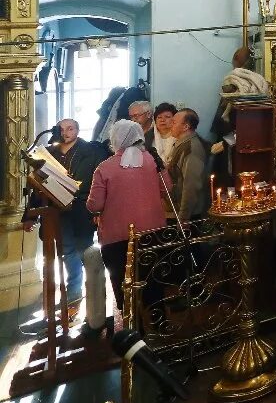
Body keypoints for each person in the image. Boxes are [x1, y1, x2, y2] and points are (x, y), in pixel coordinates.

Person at [24, 118, 108, 319]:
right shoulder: (49, 153)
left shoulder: (93, 151)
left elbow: (101, 185)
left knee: (85, 251)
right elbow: (38, 186)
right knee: (67, 251)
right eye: (62, 129)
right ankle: (74, 293)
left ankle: (94, 297)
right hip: (57, 211)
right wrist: (29, 216)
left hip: (82, 210)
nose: (65, 132)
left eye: (70, 128)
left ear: (78, 130)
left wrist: (100, 211)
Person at [85, 120, 167, 323]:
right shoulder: (151, 161)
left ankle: (132, 329)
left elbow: (94, 205)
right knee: (153, 281)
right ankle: (160, 324)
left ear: (116, 139)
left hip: (117, 236)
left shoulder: (105, 168)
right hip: (153, 232)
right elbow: (168, 189)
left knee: (124, 283)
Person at [166, 108, 209, 220]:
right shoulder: (181, 143)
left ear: (186, 127)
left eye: (174, 122)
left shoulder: (192, 148)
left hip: (188, 215)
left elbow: (191, 186)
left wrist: (183, 219)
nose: (170, 124)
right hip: (176, 210)